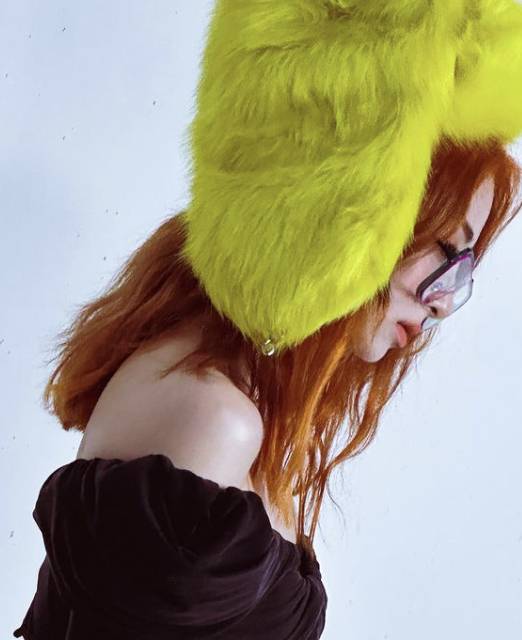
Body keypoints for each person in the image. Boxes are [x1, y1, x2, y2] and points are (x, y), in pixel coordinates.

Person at [13, 1, 522, 638]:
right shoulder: (215, 421)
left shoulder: (239, 404)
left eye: (465, 266)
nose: (445, 298)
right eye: (447, 250)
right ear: (345, 211)